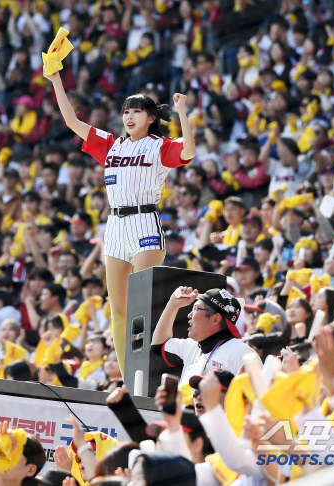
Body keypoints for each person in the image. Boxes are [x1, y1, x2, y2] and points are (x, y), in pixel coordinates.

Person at [45, 67, 197, 375]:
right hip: (114, 227)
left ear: (151, 118)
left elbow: (189, 150)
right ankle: (128, 377)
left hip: (145, 222)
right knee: (118, 310)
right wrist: (56, 80)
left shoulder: (159, 145)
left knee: (142, 306)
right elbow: (72, 121)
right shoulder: (112, 144)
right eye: (126, 111)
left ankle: (151, 370)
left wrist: (182, 111)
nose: (129, 116)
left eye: (137, 111)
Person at [151, 286, 259, 384]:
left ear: (215, 319)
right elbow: (158, 345)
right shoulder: (193, 346)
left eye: (195, 308)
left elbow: (258, 397)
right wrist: (173, 305)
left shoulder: (243, 354)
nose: (189, 315)